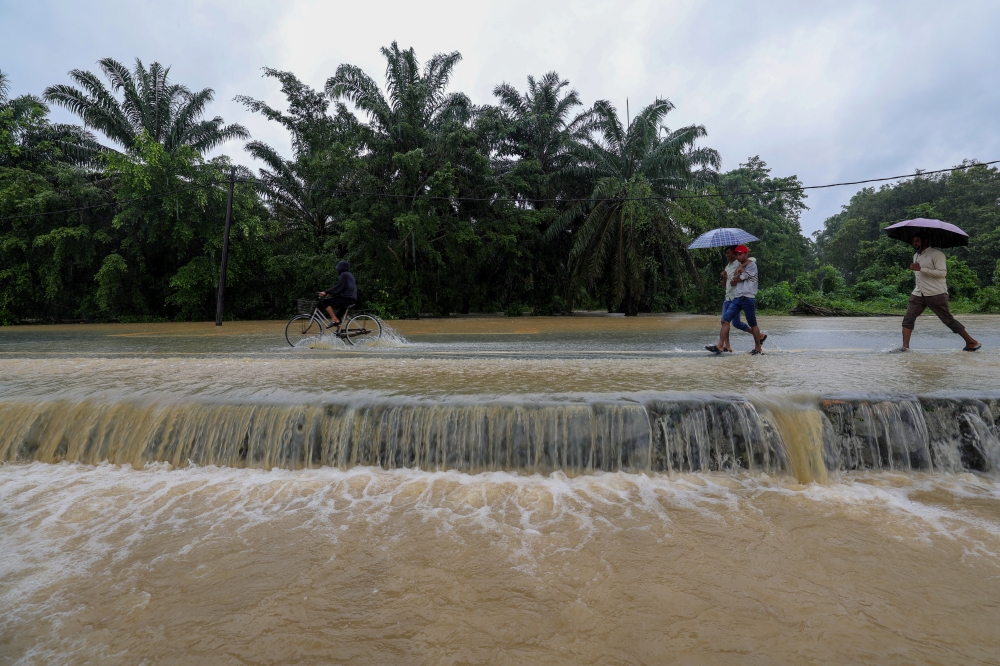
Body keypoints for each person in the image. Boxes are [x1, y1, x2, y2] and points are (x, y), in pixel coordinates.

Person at [899, 234, 980, 352]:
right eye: (913, 241)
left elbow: (942, 273)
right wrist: (918, 270)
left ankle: (971, 342)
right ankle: (905, 347)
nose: (914, 243)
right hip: (918, 293)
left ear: (925, 241)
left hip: (936, 293)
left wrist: (921, 269)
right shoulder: (916, 255)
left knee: (947, 319)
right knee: (908, 319)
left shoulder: (937, 254)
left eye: (917, 241)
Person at [706, 246, 765, 353]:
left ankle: (758, 347)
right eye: (737, 254)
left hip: (748, 297)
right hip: (736, 297)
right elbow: (732, 282)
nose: (738, 256)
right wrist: (730, 275)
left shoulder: (751, 265)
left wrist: (739, 270)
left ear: (746, 254)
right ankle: (720, 346)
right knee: (725, 320)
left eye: (740, 254)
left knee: (752, 323)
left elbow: (740, 277)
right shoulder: (730, 266)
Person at [318, 260, 357, 328]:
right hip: (351, 299)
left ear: (341, 268)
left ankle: (334, 319)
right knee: (338, 316)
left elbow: (338, 287)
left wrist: (326, 292)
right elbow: (343, 288)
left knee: (325, 302)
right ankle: (339, 334)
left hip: (347, 299)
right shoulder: (349, 274)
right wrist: (332, 294)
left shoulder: (344, 274)